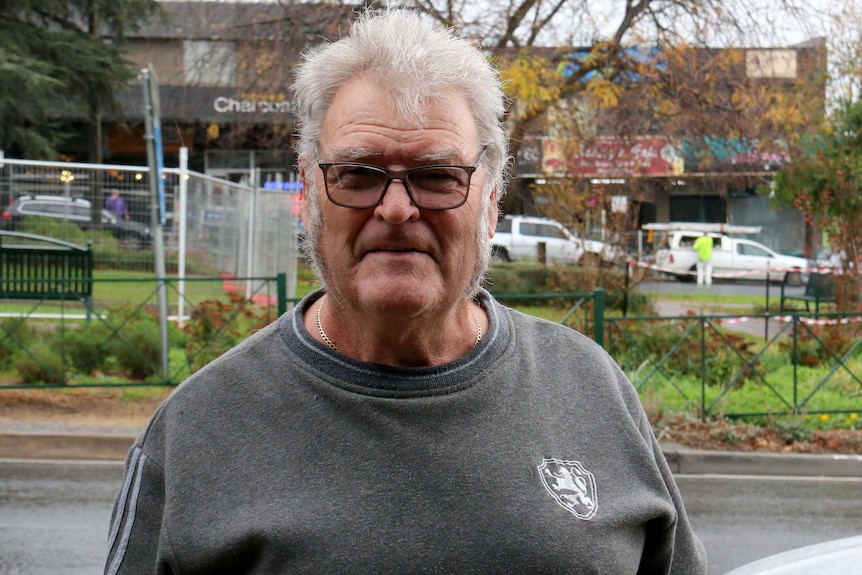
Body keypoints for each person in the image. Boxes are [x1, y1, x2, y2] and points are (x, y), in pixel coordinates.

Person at [104, 9, 706, 574]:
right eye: (359, 175)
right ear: (311, 189)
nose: (396, 209)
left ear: (491, 199)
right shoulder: (197, 431)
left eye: (437, 176)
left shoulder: (591, 388)